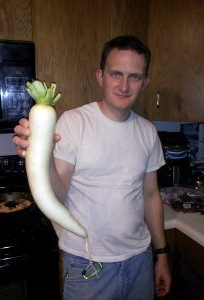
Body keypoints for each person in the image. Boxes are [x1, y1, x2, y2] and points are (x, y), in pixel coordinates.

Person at [13, 35, 171, 300]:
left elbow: (151, 195)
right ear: (100, 76)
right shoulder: (73, 123)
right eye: (116, 74)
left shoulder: (147, 131)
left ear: (145, 82)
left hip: (140, 260)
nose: (124, 85)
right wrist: (41, 157)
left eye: (134, 76)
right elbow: (58, 193)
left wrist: (162, 254)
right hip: (89, 266)